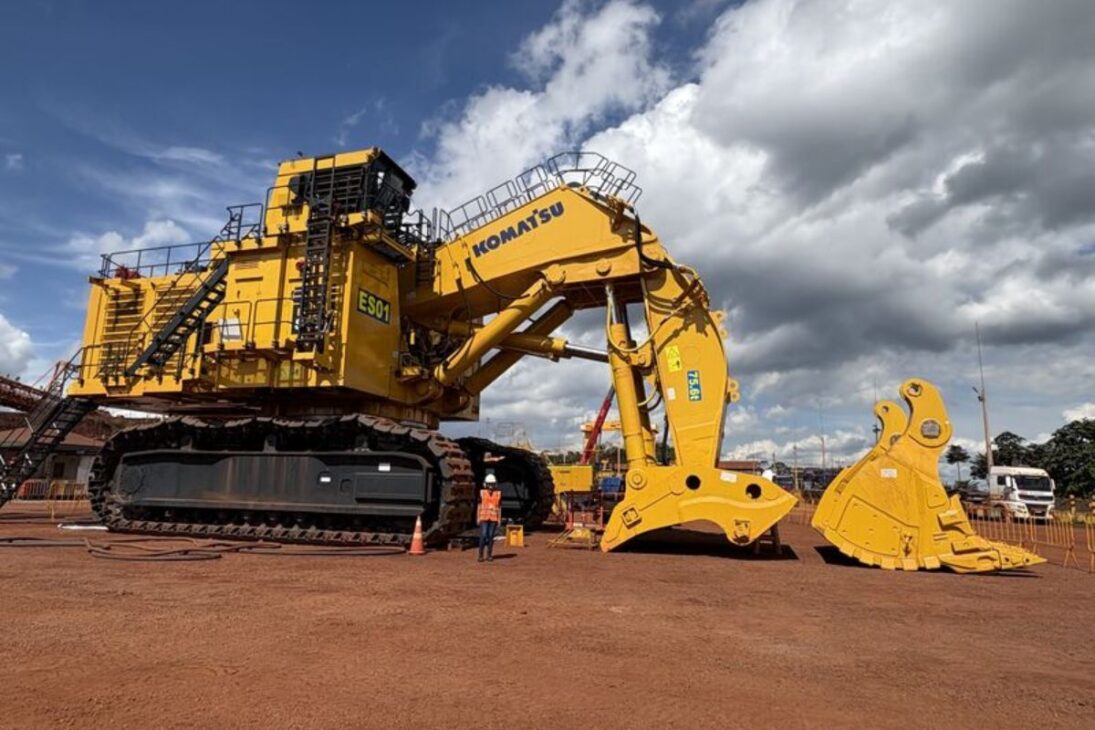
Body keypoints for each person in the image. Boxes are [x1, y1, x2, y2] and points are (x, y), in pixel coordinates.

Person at [477, 473, 502, 562]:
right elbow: (479, 506)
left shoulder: (498, 494)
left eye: (492, 484)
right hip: (484, 518)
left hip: (493, 519)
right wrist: (478, 517)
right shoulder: (482, 493)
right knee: (483, 535)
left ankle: (489, 555)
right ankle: (480, 555)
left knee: (491, 536)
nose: (490, 486)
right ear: (486, 484)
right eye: (489, 484)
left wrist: (499, 519)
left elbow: (499, 507)